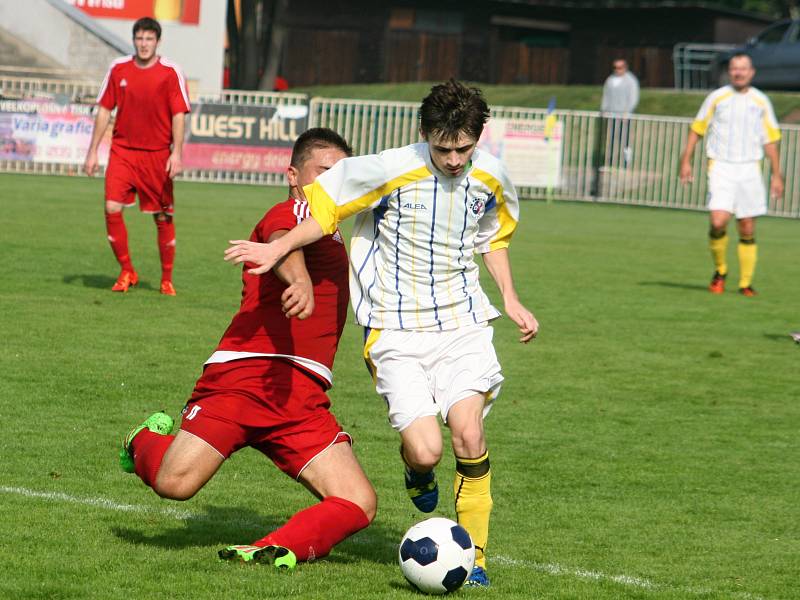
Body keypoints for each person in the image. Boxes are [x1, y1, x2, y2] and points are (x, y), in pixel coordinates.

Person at [224, 79, 539, 587]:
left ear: (477, 138)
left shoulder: (492, 177)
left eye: (463, 149)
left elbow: (493, 237)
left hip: (462, 323)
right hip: (394, 330)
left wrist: (511, 297)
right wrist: (276, 249)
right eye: (443, 149)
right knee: (426, 449)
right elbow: (322, 211)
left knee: (469, 432)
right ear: (425, 135)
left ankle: (475, 557)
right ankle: (417, 472)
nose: (454, 160)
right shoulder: (388, 170)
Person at [119, 128, 376, 568]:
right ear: (294, 175)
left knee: (359, 501)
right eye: (324, 172)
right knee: (174, 484)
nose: (333, 183)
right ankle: (142, 439)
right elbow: (280, 239)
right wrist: (299, 281)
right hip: (247, 377)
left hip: (302, 397)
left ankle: (276, 547)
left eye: (342, 176)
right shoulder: (292, 208)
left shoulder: (331, 230)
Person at [84, 17, 191, 296]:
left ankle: (166, 278)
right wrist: (93, 151)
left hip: (157, 155)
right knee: (111, 208)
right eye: (140, 39)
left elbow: (179, 114)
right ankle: (126, 270)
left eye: (149, 39)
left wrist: (176, 154)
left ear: (157, 41)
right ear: (134, 40)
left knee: (163, 216)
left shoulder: (170, 72)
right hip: (122, 153)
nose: (144, 44)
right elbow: (105, 110)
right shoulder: (118, 68)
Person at [679, 53, 783, 297]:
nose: (739, 72)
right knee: (718, 221)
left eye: (743, 69)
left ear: (751, 72)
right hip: (721, 166)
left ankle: (745, 283)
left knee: (746, 226)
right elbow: (697, 129)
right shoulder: (717, 97)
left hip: (749, 168)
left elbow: (770, 140)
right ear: (730, 72)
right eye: (735, 68)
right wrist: (686, 161)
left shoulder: (761, 101)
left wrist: (777, 174)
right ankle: (720, 270)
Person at [601, 58, 639, 166]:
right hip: (612, 114)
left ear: (625, 68)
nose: (617, 70)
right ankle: (610, 161)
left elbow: (633, 98)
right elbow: (606, 96)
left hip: (624, 116)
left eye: (620, 67)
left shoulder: (631, 80)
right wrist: (604, 110)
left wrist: (627, 112)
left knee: (625, 139)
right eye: (615, 67)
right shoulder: (610, 80)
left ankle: (626, 162)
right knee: (612, 138)